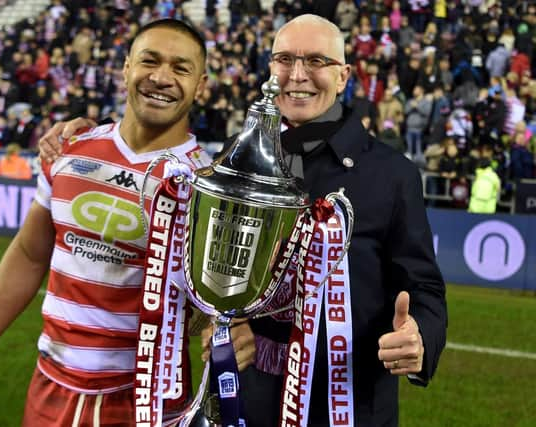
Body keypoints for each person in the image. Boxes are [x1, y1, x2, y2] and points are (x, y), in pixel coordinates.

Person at [39, 15, 447, 427]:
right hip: (245, 405)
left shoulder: (392, 174)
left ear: (343, 77)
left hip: (347, 408)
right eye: (284, 59)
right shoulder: (236, 154)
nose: (298, 74)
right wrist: (226, 321)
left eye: (317, 61)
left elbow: (424, 287)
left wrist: (420, 338)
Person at [0, 19, 211, 427]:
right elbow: (28, 253)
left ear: (202, 85)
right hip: (50, 387)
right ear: (125, 68)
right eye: (150, 61)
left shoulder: (209, 184)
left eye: (181, 68)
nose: (161, 78)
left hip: (148, 403)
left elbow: (211, 308)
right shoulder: (69, 150)